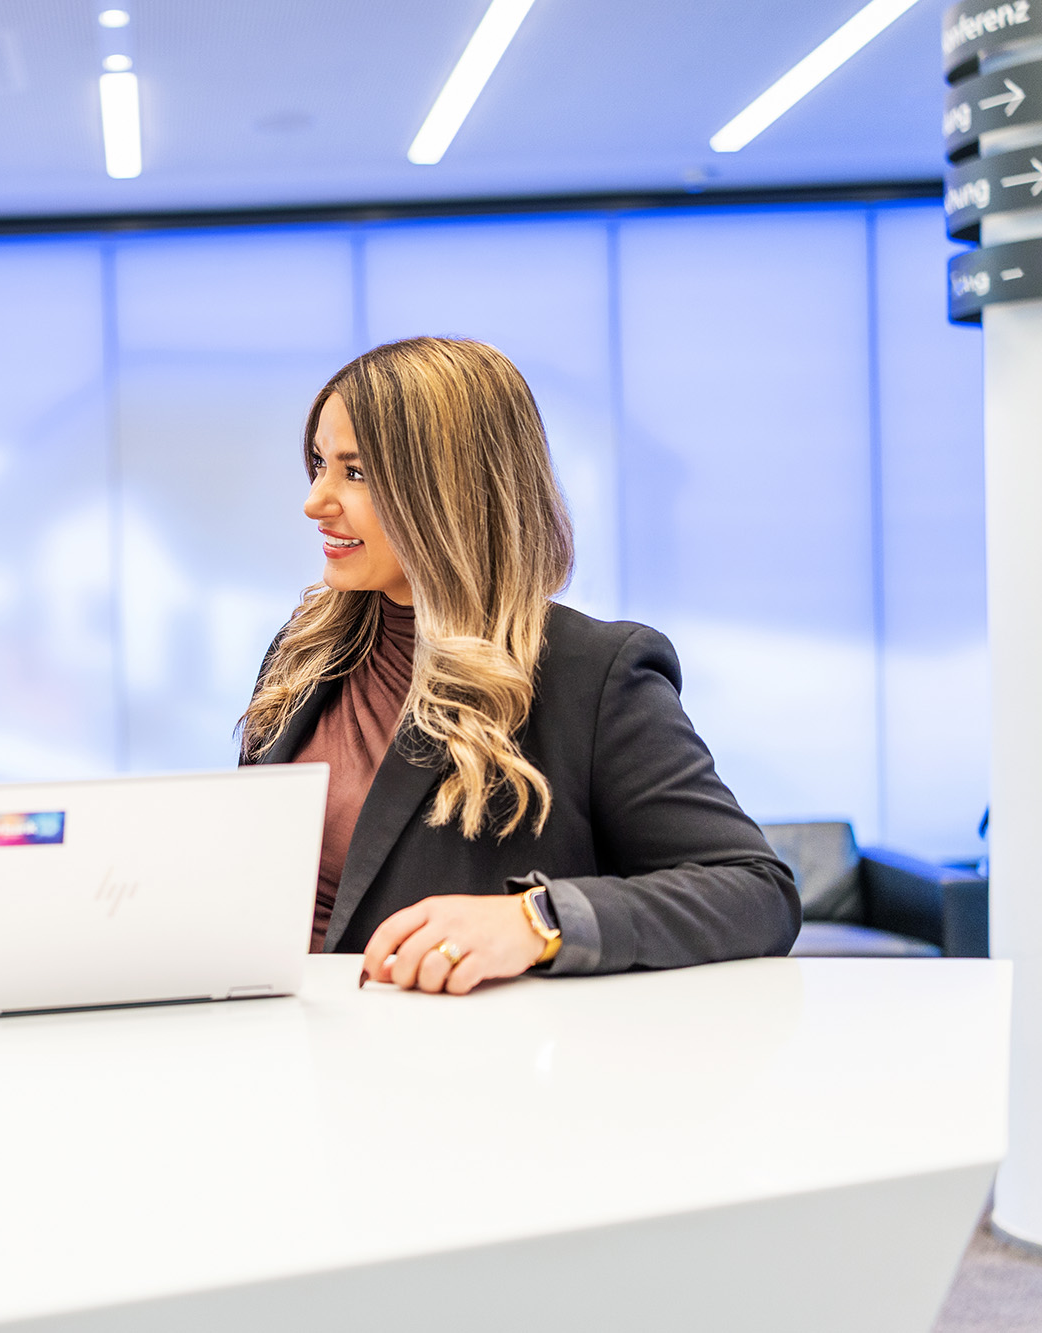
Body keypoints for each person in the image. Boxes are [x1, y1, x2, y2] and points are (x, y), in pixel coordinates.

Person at [240, 337, 798, 993]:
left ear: (444, 488)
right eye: (318, 463)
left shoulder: (591, 674)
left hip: (464, 1074)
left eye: (355, 472)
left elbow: (755, 891)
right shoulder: (301, 651)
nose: (316, 499)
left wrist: (534, 922)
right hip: (281, 1057)